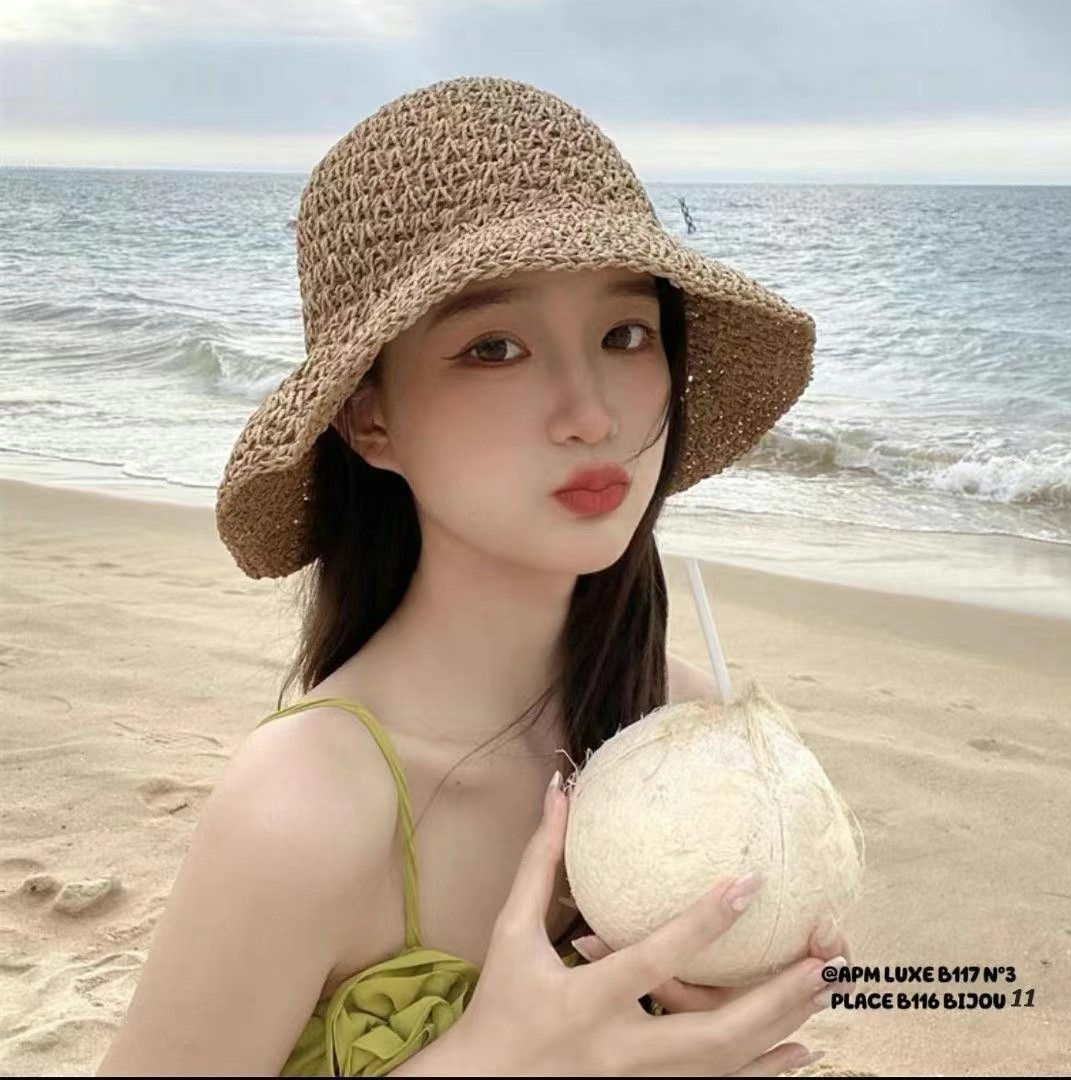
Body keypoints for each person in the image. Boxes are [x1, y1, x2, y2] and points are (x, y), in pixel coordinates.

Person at [96, 75, 851, 1077]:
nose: (591, 413)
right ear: (369, 417)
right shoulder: (306, 808)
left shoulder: (696, 732)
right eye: (495, 348)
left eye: (625, 335)